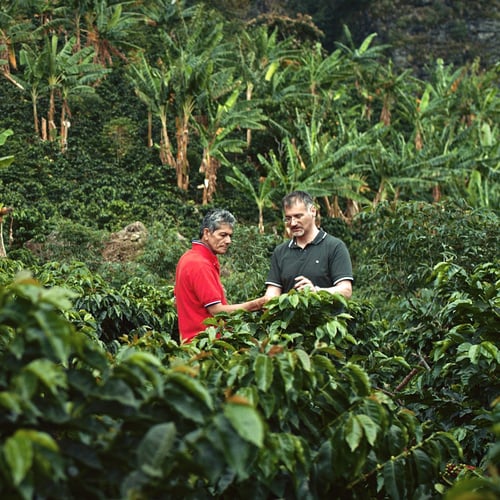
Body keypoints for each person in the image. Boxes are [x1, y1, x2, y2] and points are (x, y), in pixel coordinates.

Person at [174, 208, 267, 343]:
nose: (228, 241)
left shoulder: (188, 257)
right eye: (222, 235)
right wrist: (256, 304)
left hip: (192, 343)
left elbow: (177, 302)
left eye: (230, 236)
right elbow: (217, 311)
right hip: (206, 345)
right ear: (207, 233)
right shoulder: (200, 264)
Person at [265, 190, 353, 300]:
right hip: (289, 317)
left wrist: (316, 291)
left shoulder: (335, 247)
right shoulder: (280, 252)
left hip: (327, 317)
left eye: (298, 216)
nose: (293, 223)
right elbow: (272, 294)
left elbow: (346, 290)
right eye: (288, 218)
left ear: (313, 211)